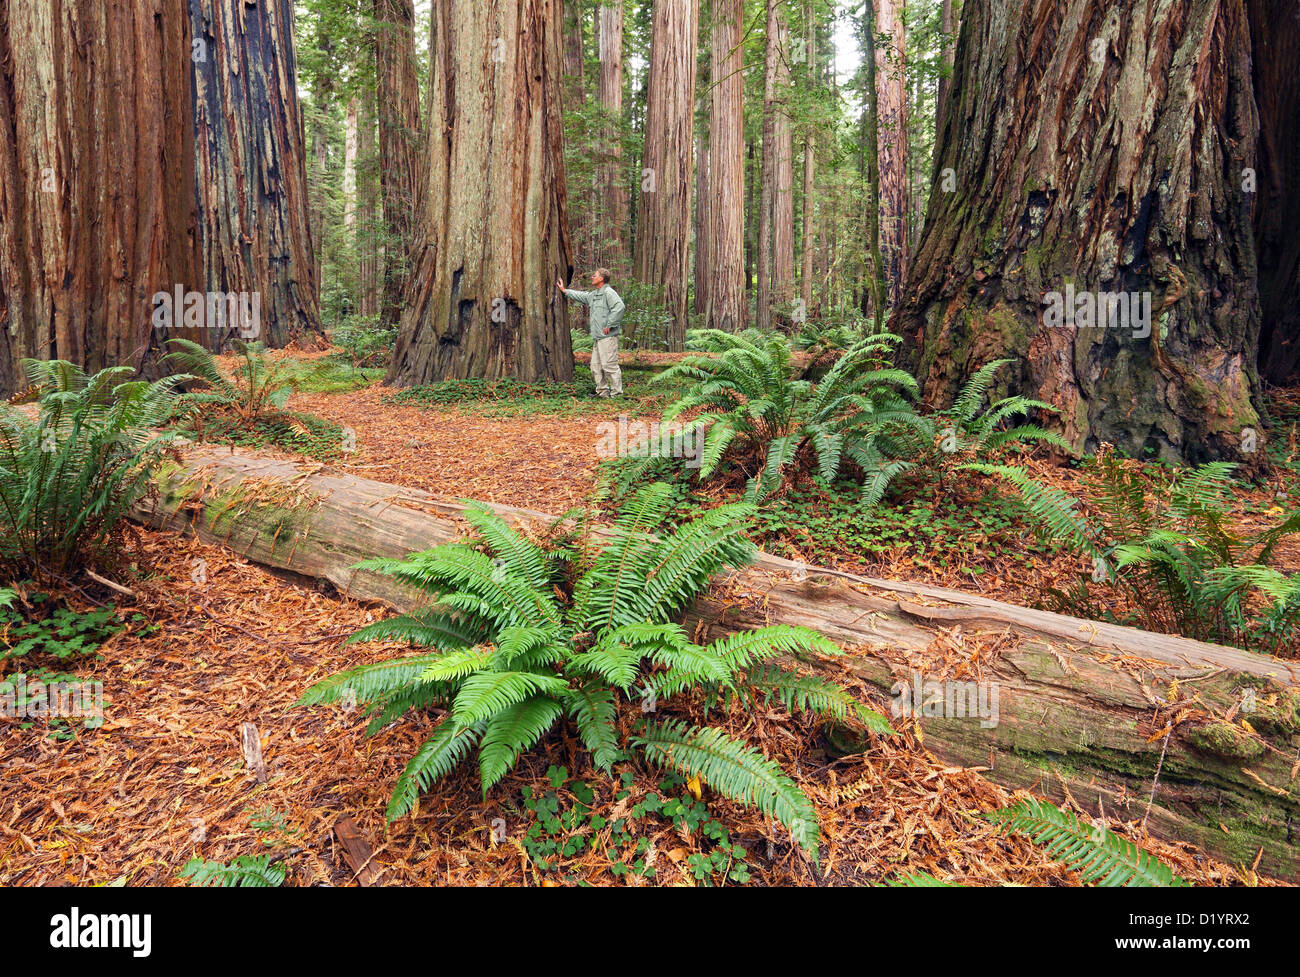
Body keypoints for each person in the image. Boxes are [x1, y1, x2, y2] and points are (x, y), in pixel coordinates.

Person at [557, 267, 625, 398]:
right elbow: (582, 296)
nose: (592, 277)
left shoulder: (608, 293)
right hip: (598, 338)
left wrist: (610, 324)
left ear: (602, 279)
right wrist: (565, 291)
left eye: (595, 275)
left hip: (608, 337)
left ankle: (617, 395)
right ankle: (602, 392)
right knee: (595, 366)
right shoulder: (594, 295)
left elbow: (619, 307)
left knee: (609, 366)